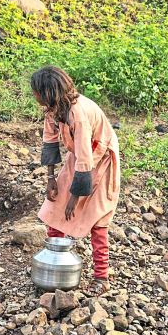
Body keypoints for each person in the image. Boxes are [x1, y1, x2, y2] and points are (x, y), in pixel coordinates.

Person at [32, 66, 120, 296]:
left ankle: (102, 277)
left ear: (47, 92)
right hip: (80, 157)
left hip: (100, 158)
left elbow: (86, 156)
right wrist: (51, 179)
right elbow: (50, 141)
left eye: (36, 92)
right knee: (55, 205)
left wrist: (75, 196)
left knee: (97, 217)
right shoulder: (53, 109)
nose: (34, 96)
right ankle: (55, 261)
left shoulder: (77, 113)